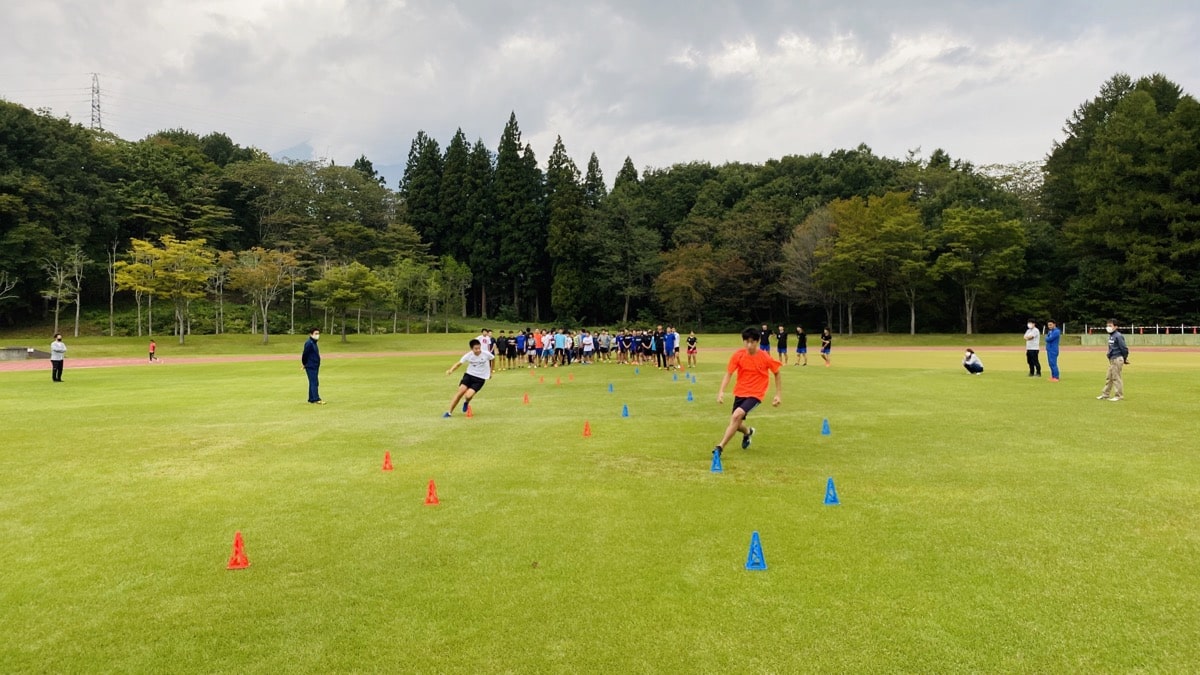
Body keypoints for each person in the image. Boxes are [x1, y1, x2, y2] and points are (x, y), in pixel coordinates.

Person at [713, 327, 782, 459]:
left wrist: (778, 394)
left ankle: (720, 447)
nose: (749, 345)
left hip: (756, 394)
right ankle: (748, 432)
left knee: (736, 416)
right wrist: (721, 391)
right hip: (740, 392)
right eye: (747, 342)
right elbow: (729, 374)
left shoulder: (765, 357)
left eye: (752, 342)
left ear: (757, 342)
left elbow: (777, 373)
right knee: (736, 423)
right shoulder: (738, 355)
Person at [444, 338, 495, 417]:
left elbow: (493, 359)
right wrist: (451, 370)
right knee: (460, 393)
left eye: (479, 348)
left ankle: (466, 402)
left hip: (480, 379)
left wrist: (491, 371)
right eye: (476, 349)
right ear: (471, 349)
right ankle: (449, 412)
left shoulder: (486, 354)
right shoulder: (468, 355)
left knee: (468, 396)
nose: (478, 350)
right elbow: (458, 363)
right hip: (469, 376)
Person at [1097, 319, 1129, 402]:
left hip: (1117, 358)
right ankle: (1105, 394)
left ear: (1116, 327)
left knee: (1116, 377)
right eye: (1107, 325)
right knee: (1109, 377)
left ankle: (1118, 395)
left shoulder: (1118, 336)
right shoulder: (1111, 336)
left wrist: (1124, 358)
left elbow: (1124, 348)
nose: (1108, 327)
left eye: (1110, 326)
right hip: (1112, 359)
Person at [301, 328, 324, 404]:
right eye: (316, 333)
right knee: (314, 382)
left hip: (314, 365)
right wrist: (304, 363)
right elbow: (305, 354)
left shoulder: (314, 343)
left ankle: (311, 398)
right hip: (311, 365)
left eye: (318, 333)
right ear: (311, 334)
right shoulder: (309, 343)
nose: (317, 335)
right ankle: (316, 398)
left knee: (313, 382)